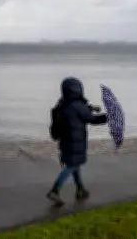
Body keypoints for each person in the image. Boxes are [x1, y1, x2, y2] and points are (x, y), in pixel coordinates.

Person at [47, 76, 108, 206]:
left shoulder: (63, 104)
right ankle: (55, 190)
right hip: (75, 141)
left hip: (66, 141)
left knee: (75, 164)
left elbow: (79, 111)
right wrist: (106, 117)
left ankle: (80, 189)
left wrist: (91, 108)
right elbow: (91, 119)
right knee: (72, 165)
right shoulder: (77, 106)